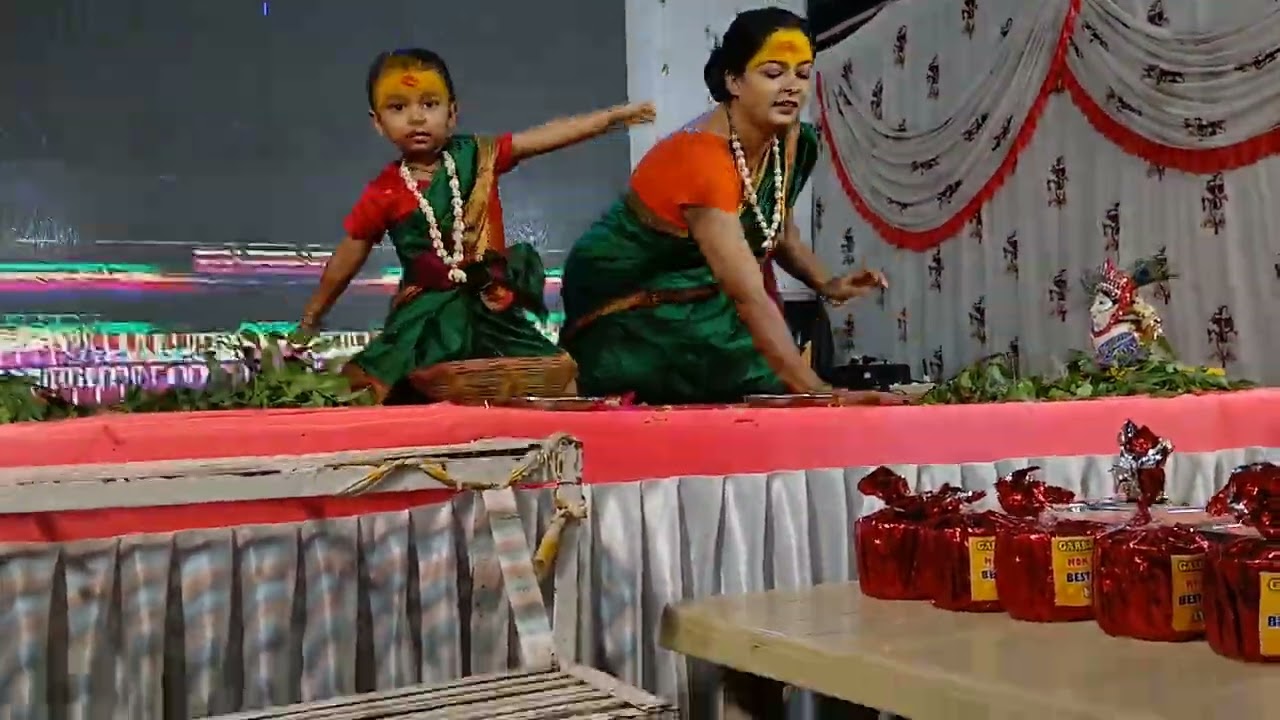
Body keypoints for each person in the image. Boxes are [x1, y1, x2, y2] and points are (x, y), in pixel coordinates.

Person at [559, 9, 903, 405]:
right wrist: (822, 394)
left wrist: (828, 284)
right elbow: (747, 295)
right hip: (628, 303)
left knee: (764, 387)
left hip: (704, 302)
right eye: (774, 73)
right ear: (734, 80)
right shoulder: (701, 160)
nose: (792, 87)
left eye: (803, 74)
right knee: (755, 388)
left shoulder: (790, 144)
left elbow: (777, 234)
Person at [299, 48, 655, 401]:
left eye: (429, 104)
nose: (417, 118)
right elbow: (349, 254)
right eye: (398, 107)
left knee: (558, 376)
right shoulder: (386, 191)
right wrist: (313, 316)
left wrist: (612, 118)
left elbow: (545, 137)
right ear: (378, 122)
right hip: (425, 320)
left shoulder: (477, 156)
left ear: (452, 114)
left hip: (490, 303)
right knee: (382, 389)